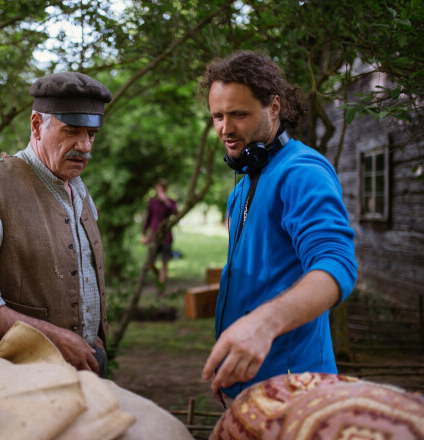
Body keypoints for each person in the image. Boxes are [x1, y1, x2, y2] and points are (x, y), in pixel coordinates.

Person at [198, 51, 357, 401]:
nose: (225, 128)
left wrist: (265, 323)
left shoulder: (302, 172)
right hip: (246, 385)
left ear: (274, 107)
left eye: (239, 114)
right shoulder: (241, 187)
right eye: (218, 116)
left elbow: (336, 265)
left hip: (295, 388)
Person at [0, 72, 113, 377]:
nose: (84, 146)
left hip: (76, 381)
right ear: (37, 126)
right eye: (71, 132)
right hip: (6, 385)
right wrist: (53, 338)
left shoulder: (78, 187)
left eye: (91, 135)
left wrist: (90, 337)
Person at [141, 180, 177, 289]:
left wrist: (166, 201)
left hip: (166, 236)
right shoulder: (152, 202)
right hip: (154, 236)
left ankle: (161, 287)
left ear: (165, 189)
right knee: (151, 262)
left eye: (163, 188)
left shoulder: (170, 202)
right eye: (159, 188)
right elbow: (148, 218)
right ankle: (159, 278)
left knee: (164, 263)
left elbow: (175, 212)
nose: (160, 190)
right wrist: (144, 234)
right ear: (156, 189)